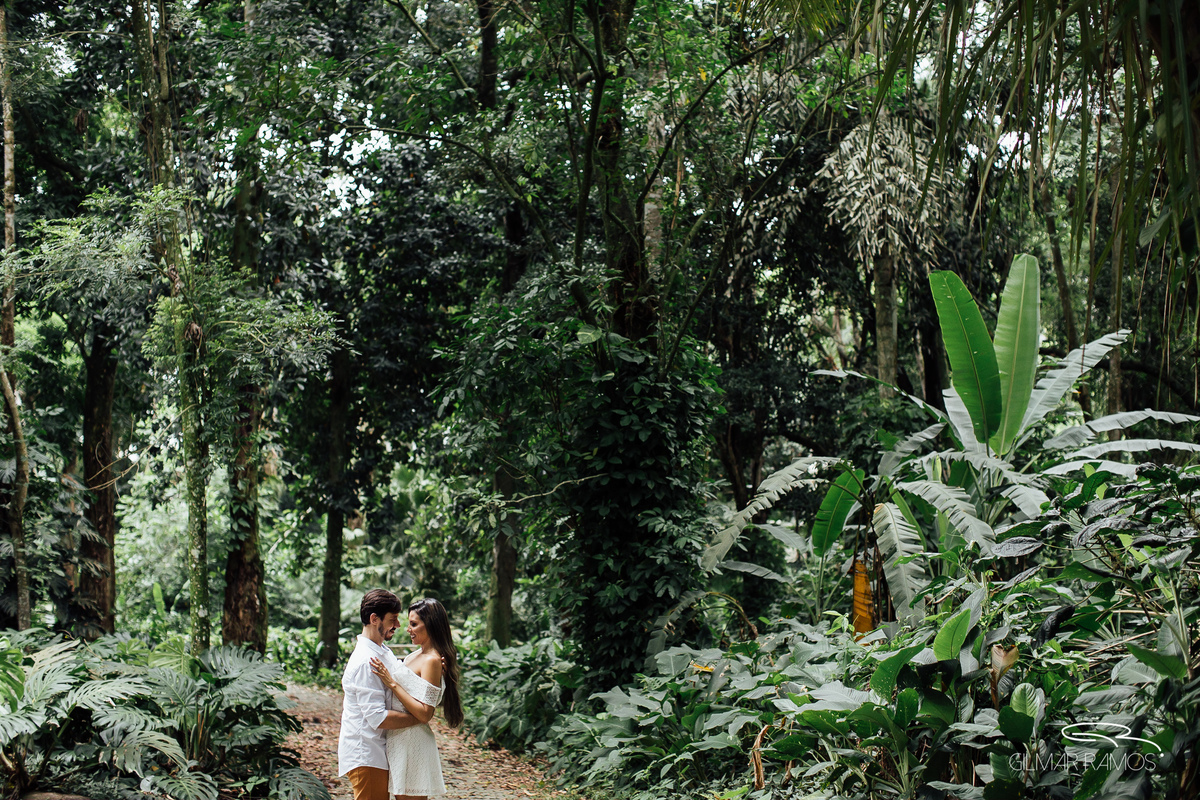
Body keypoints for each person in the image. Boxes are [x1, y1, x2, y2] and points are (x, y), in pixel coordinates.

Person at [370, 597, 464, 800]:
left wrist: (392, 684)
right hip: (398, 740)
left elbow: (425, 713)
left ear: (430, 625)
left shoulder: (432, 661)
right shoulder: (415, 656)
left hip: (414, 742)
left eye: (414, 624)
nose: (408, 629)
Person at [338, 589, 424, 800]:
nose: (397, 625)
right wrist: (420, 717)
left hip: (378, 752)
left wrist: (432, 662)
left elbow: (405, 676)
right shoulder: (365, 662)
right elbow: (378, 717)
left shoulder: (382, 651)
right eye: (392, 619)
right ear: (374, 619)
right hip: (366, 754)